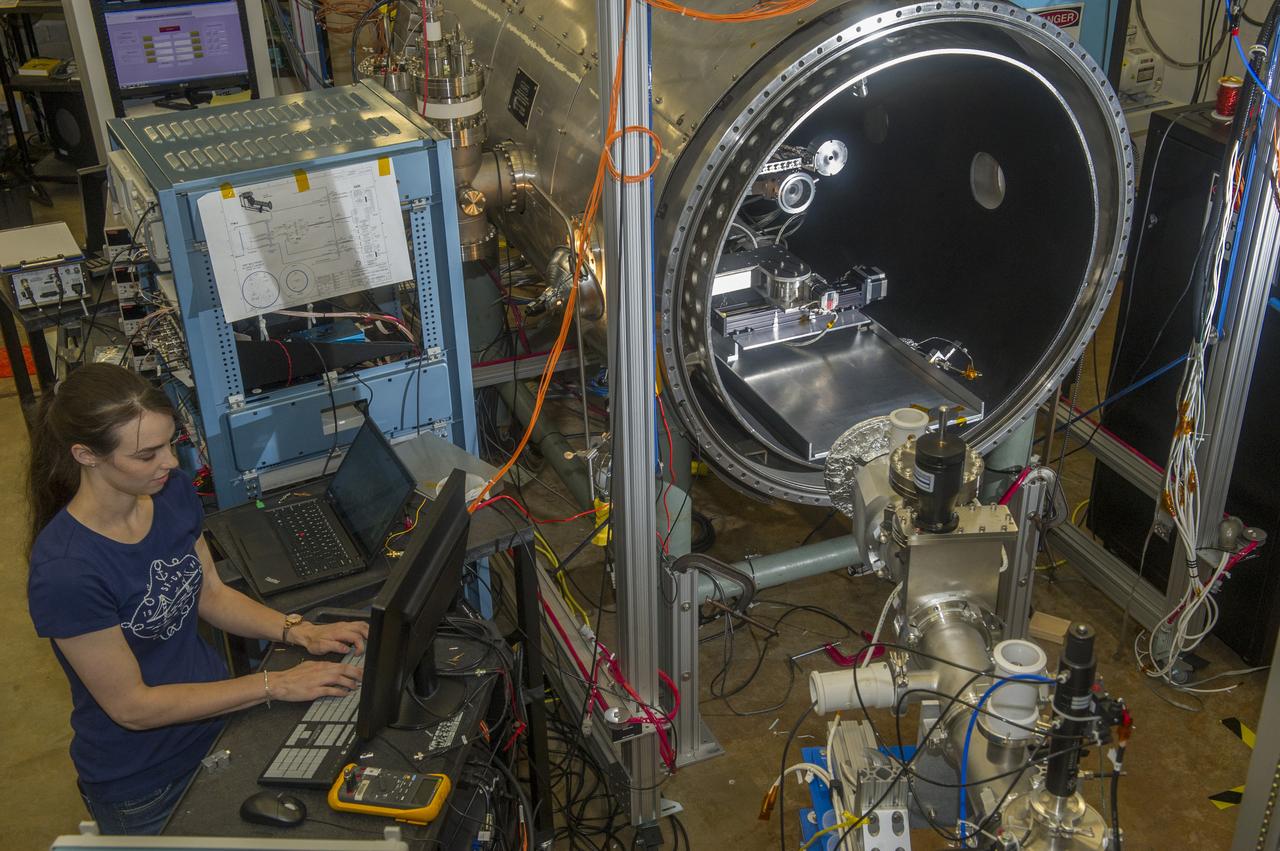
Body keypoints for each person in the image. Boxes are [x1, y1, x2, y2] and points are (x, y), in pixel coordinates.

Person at [26, 363, 368, 835]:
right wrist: (275, 684)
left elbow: (209, 591)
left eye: (170, 444)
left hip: (219, 729)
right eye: (147, 455)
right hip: (146, 783)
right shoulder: (66, 572)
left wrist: (298, 631)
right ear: (85, 455)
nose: (168, 462)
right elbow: (133, 707)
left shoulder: (170, 494)